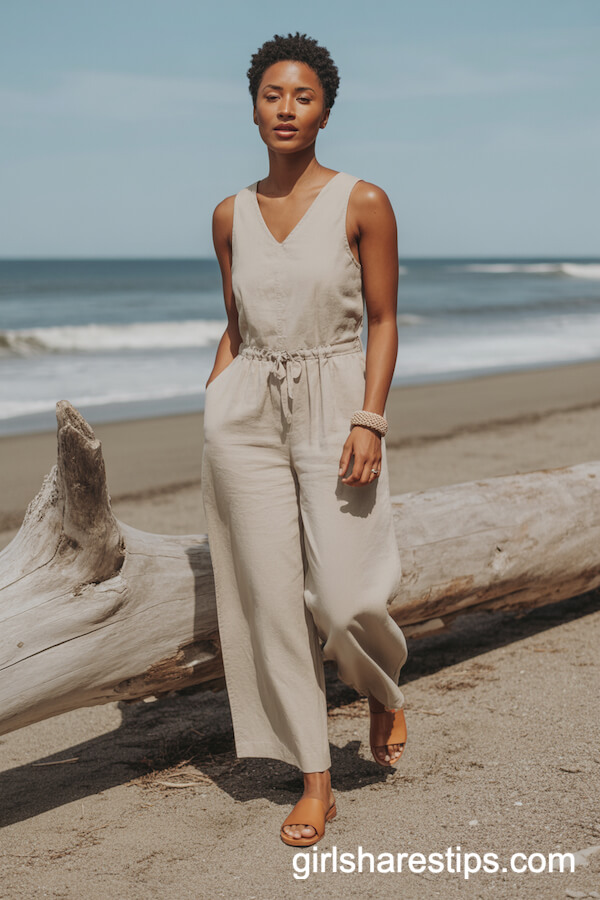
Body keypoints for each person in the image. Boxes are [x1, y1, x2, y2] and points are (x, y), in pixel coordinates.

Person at [201, 32, 408, 848]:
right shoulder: (229, 215)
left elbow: (384, 320)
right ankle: (315, 778)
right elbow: (236, 323)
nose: (286, 108)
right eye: (272, 95)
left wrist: (369, 418)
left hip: (335, 401)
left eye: (303, 97)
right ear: (253, 109)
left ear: (325, 111)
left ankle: (383, 688)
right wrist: (216, 401)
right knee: (272, 602)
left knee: (347, 596)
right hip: (245, 411)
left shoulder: (364, 202)